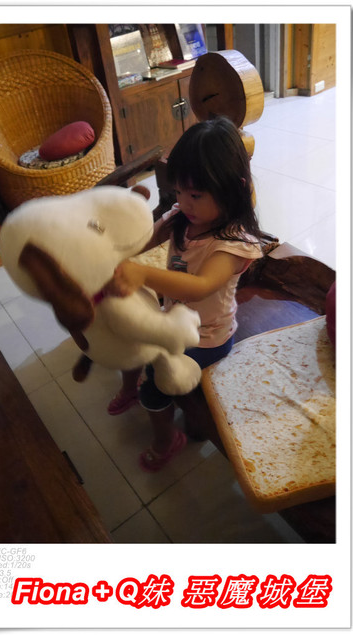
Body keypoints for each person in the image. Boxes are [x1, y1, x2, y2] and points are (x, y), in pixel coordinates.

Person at [105, 117, 263, 471]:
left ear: (234, 188)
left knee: (155, 382)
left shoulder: (232, 245)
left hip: (207, 337)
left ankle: (166, 439)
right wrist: (116, 251)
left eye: (196, 195)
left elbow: (200, 287)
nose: (184, 203)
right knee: (128, 333)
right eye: (178, 192)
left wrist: (144, 274)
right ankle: (130, 387)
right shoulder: (183, 218)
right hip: (173, 319)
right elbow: (144, 238)